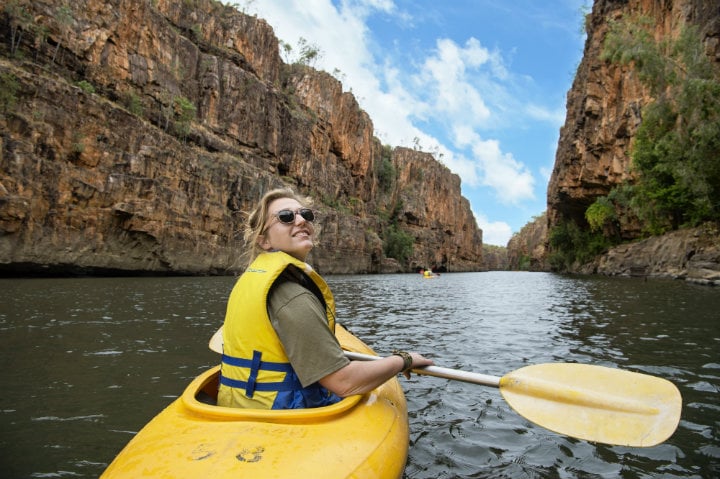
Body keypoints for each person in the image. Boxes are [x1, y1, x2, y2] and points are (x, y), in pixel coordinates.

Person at [217, 188, 434, 409]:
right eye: (286, 217)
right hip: (277, 416)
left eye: (305, 214)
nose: (301, 220)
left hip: (239, 405)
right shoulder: (292, 295)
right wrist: (404, 360)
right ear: (264, 241)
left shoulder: (252, 279)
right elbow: (343, 382)